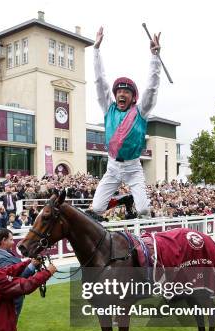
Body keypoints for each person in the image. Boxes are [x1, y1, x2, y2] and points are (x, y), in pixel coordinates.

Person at [88, 26, 162, 221]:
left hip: (133, 167)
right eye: (119, 91)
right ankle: (123, 199)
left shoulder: (141, 111)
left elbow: (152, 88)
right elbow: (99, 81)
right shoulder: (108, 108)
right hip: (112, 167)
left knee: (144, 210)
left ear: (133, 96)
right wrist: (96, 50)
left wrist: (155, 57)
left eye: (126, 92)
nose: (121, 94)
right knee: (96, 208)